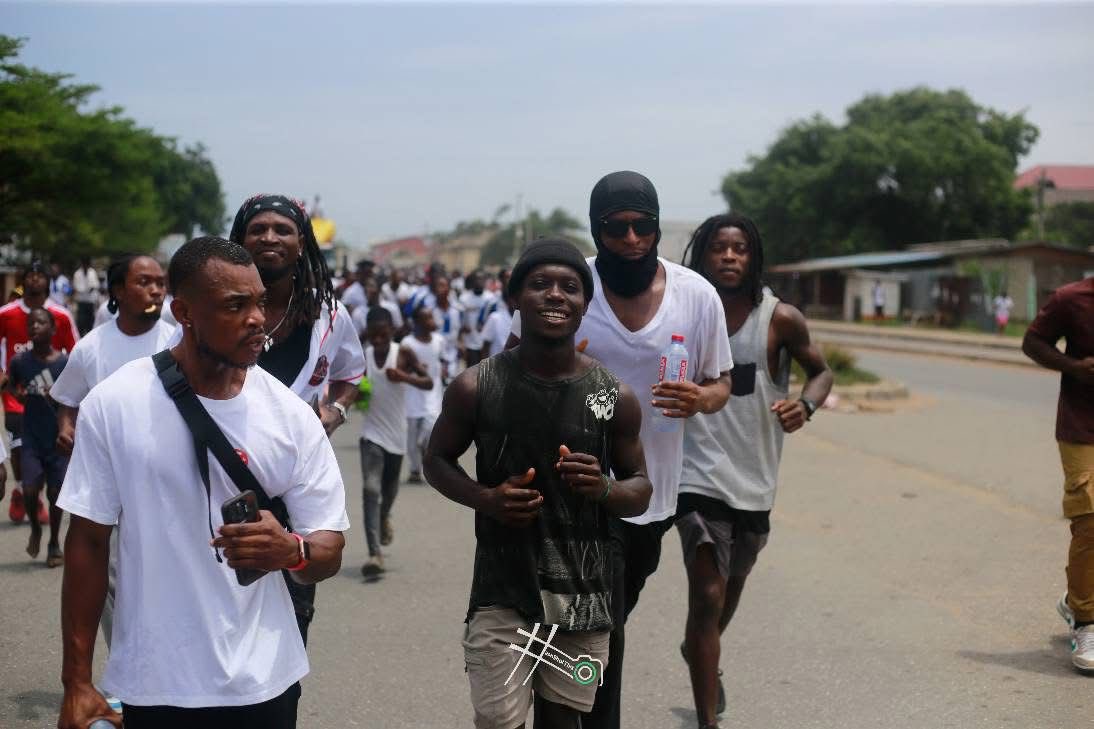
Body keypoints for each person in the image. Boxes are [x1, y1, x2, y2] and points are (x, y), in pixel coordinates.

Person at [57, 236, 349, 729]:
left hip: (266, 680)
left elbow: (330, 546)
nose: (257, 318)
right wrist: (77, 682)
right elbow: (87, 541)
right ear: (185, 313)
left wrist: (291, 551)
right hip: (156, 680)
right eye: (235, 306)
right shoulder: (115, 404)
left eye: (258, 302)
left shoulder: (290, 417)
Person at [508, 171, 732, 729]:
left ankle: (557, 692)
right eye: (615, 228)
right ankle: (576, 712)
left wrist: (698, 398)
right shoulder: (563, 284)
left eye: (643, 226)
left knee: (598, 626)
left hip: (645, 496)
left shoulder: (695, 295)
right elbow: (503, 368)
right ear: (595, 228)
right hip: (565, 494)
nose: (631, 240)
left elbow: (721, 384)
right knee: (601, 629)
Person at [425, 238, 652, 729]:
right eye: (539, 285)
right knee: (499, 722)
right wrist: (486, 499)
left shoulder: (613, 397)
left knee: (564, 723)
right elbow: (437, 460)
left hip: (584, 602)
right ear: (515, 299)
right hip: (501, 594)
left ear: (585, 305)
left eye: (569, 287)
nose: (555, 295)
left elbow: (640, 491)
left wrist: (604, 489)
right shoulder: (476, 386)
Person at [677, 214, 833, 727]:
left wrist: (804, 407)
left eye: (739, 249)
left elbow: (821, 372)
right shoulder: (683, 313)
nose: (728, 257)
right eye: (718, 248)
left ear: (752, 257)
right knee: (706, 592)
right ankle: (708, 720)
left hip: (755, 479)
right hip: (695, 475)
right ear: (701, 257)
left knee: (732, 584)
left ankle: (702, 648)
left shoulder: (780, 318)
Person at [228, 193, 365, 643]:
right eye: (258, 229)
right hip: (220, 475)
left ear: (302, 243)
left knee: (289, 616)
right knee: (218, 608)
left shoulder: (329, 314)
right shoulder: (213, 310)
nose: (270, 237)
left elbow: (351, 373)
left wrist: (336, 411)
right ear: (240, 242)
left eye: (283, 229)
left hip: (296, 485)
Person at [51, 253, 175, 666]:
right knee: (111, 578)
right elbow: (67, 400)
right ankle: (126, 663)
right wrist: (66, 426)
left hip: (167, 480)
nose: (156, 290)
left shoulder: (178, 342)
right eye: (145, 282)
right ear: (118, 291)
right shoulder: (91, 347)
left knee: (161, 575)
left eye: (161, 282)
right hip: (110, 481)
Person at [1022, 276, 1094, 672]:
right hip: (1082, 426)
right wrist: (1074, 368)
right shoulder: (1072, 298)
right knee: (1090, 521)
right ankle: (1086, 621)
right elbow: (1032, 343)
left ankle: (1076, 597)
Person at [0, 262, 79, 525]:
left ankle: (36, 492)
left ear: (47, 282)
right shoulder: (7, 313)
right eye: (29, 275)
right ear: (23, 280)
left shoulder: (61, 314)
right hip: (17, 390)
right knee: (19, 446)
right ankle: (22, 490)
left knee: (46, 446)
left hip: (51, 397)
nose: (34, 280)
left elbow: (75, 351)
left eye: (39, 276)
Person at [359, 307, 432, 576]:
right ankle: (374, 553)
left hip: (397, 436)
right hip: (371, 435)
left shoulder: (402, 353)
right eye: (373, 336)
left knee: (388, 492)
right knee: (370, 488)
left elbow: (428, 382)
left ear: (391, 331)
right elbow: (348, 383)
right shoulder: (362, 355)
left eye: (382, 335)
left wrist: (404, 377)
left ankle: (383, 517)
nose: (377, 341)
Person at [8, 308, 69, 567]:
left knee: (56, 493)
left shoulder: (64, 363)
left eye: (41, 322)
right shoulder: (20, 362)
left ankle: (54, 542)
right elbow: (11, 384)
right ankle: (35, 527)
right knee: (30, 489)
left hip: (56, 437)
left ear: (53, 329)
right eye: (30, 323)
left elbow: (75, 397)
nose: (34, 327)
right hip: (30, 434)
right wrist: (17, 394)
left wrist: (57, 398)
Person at [402, 304, 445, 484]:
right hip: (412, 396)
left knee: (429, 431)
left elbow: (440, 360)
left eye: (431, 317)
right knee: (411, 438)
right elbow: (402, 366)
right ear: (417, 322)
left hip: (433, 394)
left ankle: (428, 461)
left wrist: (441, 371)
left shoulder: (439, 340)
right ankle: (414, 470)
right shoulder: (407, 343)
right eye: (427, 318)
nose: (431, 321)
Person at [459, 269, 496, 368]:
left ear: (485, 281)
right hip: (470, 343)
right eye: (476, 279)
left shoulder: (491, 298)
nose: (479, 282)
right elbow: (459, 321)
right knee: (471, 372)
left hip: (486, 343)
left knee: (485, 373)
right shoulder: (464, 298)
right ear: (472, 281)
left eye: (481, 279)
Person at [480, 293, 514, 360]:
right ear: (508, 300)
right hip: (496, 366)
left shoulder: (526, 319)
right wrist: (486, 368)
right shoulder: (495, 318)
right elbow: (485, 346)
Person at [72, 257, 100, 336]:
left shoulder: (92, 272)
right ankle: (80, 336)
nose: (85, 266)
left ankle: (90, 335)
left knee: (90, 322)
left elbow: (96, 285)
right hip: (81, 301)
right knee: (81, 322)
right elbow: (76, 287)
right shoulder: (77, 273)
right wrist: (85, 290)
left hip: (90, 301)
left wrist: (92, 288)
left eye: (86, 265)